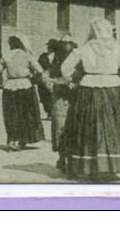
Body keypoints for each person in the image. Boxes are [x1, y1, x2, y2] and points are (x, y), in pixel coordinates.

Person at [61, 19, 120, 180]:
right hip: (112, 88)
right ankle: (110, 167)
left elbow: (65, 68)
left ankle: (89, 166)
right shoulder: (118, 48)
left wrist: (72, 82)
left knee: (88, 126)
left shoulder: (83, 49)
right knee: (112, 126)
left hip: (88, 88)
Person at [0, 35, 45, 151]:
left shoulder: (6, 56)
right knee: (25, 114)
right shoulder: (26, 55)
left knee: (11, 115)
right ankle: (22, 140)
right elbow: (40, 70)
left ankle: (13, 140)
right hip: (25, 87)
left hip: (9, 88)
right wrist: (32, 75)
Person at [41, 38, 77, 172]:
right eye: (64, 43)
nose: (67, 45)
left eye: (69, 43)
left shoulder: (78, 59)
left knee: (74, 128)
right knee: (60, 128)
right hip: (59, 99)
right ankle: (62, 158)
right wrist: (53, 86)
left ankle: (72, 159)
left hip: (75, 98)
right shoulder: (54, 59)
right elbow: (45, 76)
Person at [36, 38, 58, 119]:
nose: (49, 48)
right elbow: (38, 66)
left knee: (54, 95)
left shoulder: (58, 57)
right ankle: (49, 113)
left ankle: (54, 112)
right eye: (48, 47)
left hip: (54, 78)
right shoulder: (43, 56)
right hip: (43, 80)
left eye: (50, 47)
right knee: (44, 96)